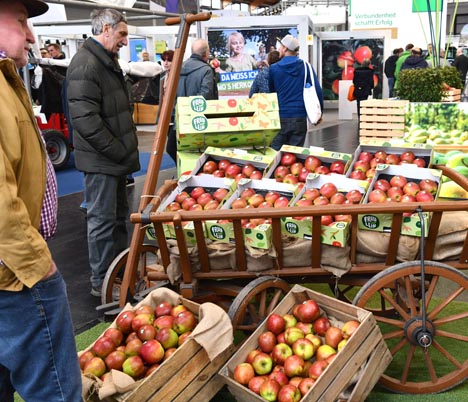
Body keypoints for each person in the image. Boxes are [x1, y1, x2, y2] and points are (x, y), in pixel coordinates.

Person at [0, 0, 82, 400]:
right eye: (21, 21)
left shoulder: (7, 80)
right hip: (16, 276)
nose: (31, 35)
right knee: (55, 391)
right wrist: (39, 266)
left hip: (10, 270)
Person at [66, 8, 140, 297]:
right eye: (122, 34)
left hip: (115, 160)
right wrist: (118, 151)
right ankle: (102, 283)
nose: (125, 40)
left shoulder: (106, 61)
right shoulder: (86, 64)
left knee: (119, 219)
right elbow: (85, 120)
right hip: (103, 161)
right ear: (106, 29)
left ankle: (118, 274)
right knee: (101, 221)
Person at [166, 39, 218, 163]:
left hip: (180, 121)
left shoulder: (177, 68)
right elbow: (206, 96)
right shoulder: (206, 70)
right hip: (200, 122)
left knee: (176, 149)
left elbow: (170, 96)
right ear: (206, 53)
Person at [268, 34, 323, 151]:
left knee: (274, 154)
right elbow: (317, 91)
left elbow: (271, 93)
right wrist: (319, 113)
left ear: (285, 48)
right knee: (295, 155)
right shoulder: (306, 67)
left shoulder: (274, 69)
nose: (278, 48)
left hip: (281, 117)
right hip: (300, 118)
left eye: (280, 46)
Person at [353, 58, 374, 127]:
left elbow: (354, 81)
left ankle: (359, 116)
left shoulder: (356, 71)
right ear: (369, 64)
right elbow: (371, 81)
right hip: (366, 89)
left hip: (358, 89)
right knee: (364, 102)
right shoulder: (370, 71)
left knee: (358, 102)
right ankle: (364, 116)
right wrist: (371, 87)